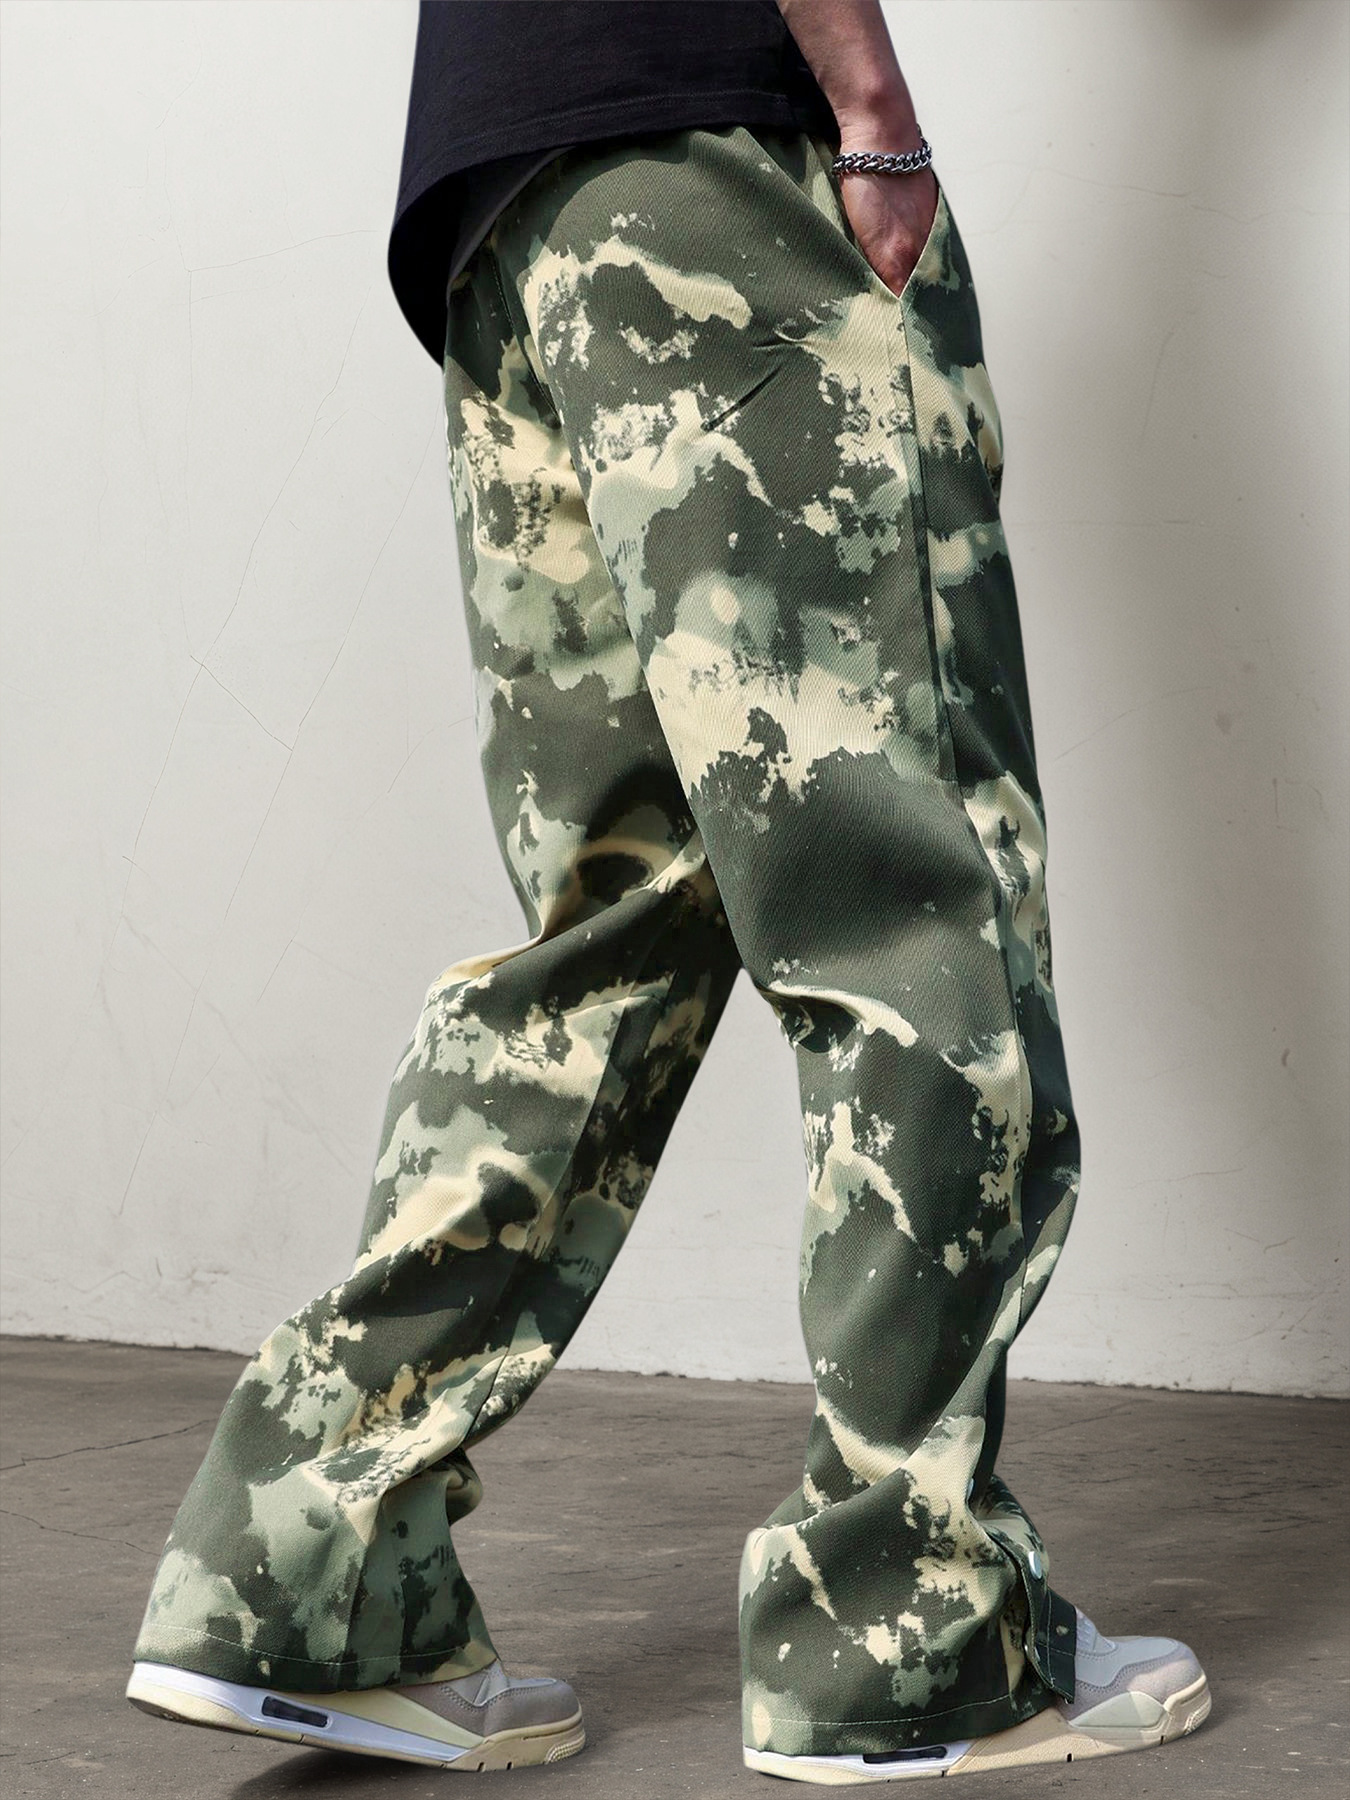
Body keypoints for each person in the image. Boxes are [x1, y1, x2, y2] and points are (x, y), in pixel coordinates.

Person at [125, 1, 1211, 1782]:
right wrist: (869, 104)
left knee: (615, 925)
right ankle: (904, 1638)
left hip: (506, 201)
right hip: (722, 161)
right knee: (905, 900)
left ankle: (296, 1570)